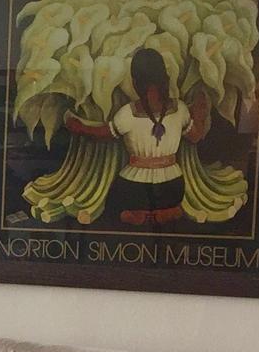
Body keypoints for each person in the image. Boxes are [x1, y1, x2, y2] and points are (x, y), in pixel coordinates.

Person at [61, 47, 213, 227]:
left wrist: (78, 127)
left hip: (135, 187)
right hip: (172, 186)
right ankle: (167, 212)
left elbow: (101, 134)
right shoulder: (180, 109)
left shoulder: (127, 114)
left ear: (134, 82)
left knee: (114, 207)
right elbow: (195, 136)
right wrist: (199, 114)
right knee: (170, 201)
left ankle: (142, 215)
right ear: (164, 78)